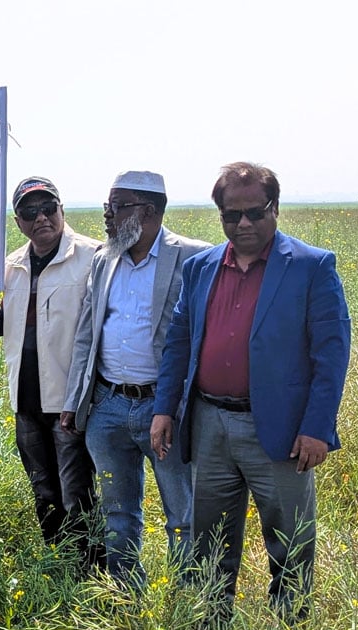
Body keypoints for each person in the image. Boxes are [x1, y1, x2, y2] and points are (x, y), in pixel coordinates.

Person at [152, 162, 350, 620]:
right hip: (209, 425)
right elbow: (179, 342)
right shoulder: (201, 268)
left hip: (278, 433)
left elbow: (331, 355)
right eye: (231, 215)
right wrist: (165, 408)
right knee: (209, 542)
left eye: (254, 213)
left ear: (274, 209)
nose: (243, 224)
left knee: (290, 542)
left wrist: (317, 428)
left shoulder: (310, 266)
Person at [60, 171, 209, 587]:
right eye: (107, 206)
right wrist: (75, 399)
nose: (106, 216)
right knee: (118, 513)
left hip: (167, 409)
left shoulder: (194, 258)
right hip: (107, 405)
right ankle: (126, 593)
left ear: (147, 211)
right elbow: (87, 332)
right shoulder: (105, 259)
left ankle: (188, 599)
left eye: (116, 206)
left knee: (183, 514)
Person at [0, 176, 103, 572]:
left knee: (76, 492)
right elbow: (12, 321)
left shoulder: (92, 258)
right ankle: (58, 562)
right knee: (43, 490)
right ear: (18, 221)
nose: (41, 218)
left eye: (48, 208)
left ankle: (90, 570)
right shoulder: (8, 266)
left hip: (69, 399)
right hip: (26, 398)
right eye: (30, 212)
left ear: (62, 209)